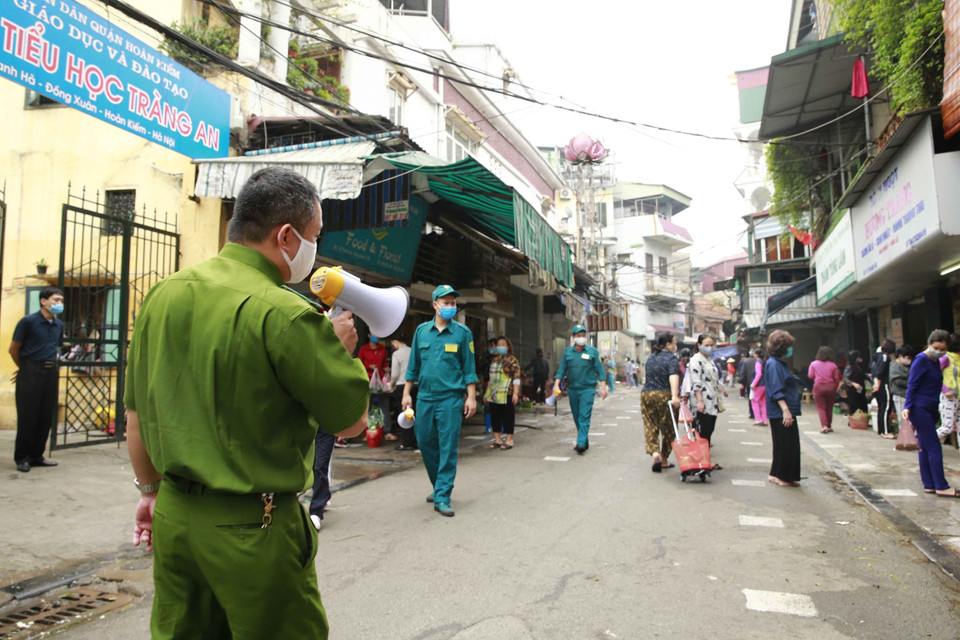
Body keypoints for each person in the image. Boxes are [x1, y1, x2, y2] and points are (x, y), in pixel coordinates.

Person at [124, 167, 370, 639]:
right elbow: (353, 421)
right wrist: (339, 352)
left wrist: (149, 492)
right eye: (314, 236)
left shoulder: (162, 295)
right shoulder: (289, 314)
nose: (315, 249)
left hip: (175, 518)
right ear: (286, 236)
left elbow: (136, 416)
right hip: (253, 529)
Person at [403, 285, 478, 517]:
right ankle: (439, 485)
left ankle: (443, 494)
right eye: (445, 303)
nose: (450, 307)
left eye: (453, 303)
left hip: (450, 399)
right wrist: (406, 393)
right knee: (425, 442)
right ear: (434, 305)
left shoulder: (463, 334)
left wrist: (472, 397)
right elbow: (413, 366)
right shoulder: (421, 332)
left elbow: (469, 369)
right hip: (425, 397)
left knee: (447, 447)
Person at [9, 286, 65, 472]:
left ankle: (36, 455)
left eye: (61, 301)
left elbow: (54, 348)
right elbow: (13, 349)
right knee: (28, 416)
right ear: (43, 301)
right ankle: (22, 457)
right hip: (31, 371)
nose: (59, 304)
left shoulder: (58, 325)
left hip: (50, 372)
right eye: (56, 300)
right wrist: (25, 368)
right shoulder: (28, 322)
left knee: (45, 416)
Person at [902, 330, 959, 497]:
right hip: (919, 409)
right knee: (934, 447)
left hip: (929, 408)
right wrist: (907, 406)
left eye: (942, 349)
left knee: (925, 447)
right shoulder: (921, 360)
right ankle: (941, 485)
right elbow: (912, 384)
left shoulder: (935, 360)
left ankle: (929, 484)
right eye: (936, 347)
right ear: (929, 343)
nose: (939, 351)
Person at [554, 325, 608, 455]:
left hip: (587, 389)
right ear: (573, 338)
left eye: (583, 335)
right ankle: (583, 440)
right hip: (572, 389)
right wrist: (556, 385)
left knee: (584, 416)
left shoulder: (592, 352)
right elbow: (561, 371)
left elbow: (600, 371)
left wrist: (603, 387)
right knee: (577, 416)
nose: (581, 338)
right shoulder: (568, 352)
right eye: (578, 336)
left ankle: (581, 443)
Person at [764, 330, 802, 487]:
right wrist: (786, 410)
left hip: (781, 410)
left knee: (783, 444)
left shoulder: (777, 363)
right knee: (787, 445)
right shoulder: (774, 365)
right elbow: (776, 389)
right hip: (781, 411)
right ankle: (782, 476)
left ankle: (776, 474)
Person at [641, 333, 681, 472]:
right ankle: (664, 458)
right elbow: (673, 376)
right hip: (665, 394)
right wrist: (675, 396)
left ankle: (655, 453)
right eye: (674, 343)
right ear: (668, 345)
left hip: (647, 394)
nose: (676, 346)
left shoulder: (651, 358)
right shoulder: (672, 358)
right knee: (670, 428)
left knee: (650, 424)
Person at [689, 334, 728, 452]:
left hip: (712, 402)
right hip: (702, 402)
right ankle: (701, 460)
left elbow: (714, 378)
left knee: (709, 430)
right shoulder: (696, 360)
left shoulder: (709, 360)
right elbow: (696, 381)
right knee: (703, 432)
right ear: (699, 345)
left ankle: (705, 459)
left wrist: (722, 389)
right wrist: (700, 401)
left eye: (711, 345)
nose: (710, 348)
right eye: (706, 345)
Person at [485, 336, 522, 450]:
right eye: (498, 344)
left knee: (508, 417)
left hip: (507, 392)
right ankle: (498, 439)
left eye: (503, 344)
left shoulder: (512, 360)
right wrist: (487, 393)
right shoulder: (494, 360)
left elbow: (516, 377)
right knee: (495, 417)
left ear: (507, 347)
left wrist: (515, 393)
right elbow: (492, 378)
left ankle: (509, 440)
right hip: (494, 393)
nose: (500, 346)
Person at [808, 346, 841, 434]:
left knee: (821, 407)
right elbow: (836, 378)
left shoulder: (813, 364)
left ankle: (824, 426)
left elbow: (810, 376)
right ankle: (829, 425)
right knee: (829, 407)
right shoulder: (833, 365)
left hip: (818, 387)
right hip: (830, 387)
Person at [389, 337, 413, 447]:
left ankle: (406, 442)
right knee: (414, 414)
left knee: (403, 415)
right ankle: (415, 441)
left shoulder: (396, 354)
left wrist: (391, 385)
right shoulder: (412, 350)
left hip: (401, 387)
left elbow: (394, 375)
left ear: (396, 341)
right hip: (415, 385)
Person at [937, 334, 960, 440]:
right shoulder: (945, 358)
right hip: (949, 397)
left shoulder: (958, 358)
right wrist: (945, 390)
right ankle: (923, 441)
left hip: (958, 397)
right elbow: (934, 376)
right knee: (947, 427)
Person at [872, 340, 897, 439]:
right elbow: (879, 372)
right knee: (886, 408)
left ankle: (881, 430)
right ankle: (885, 431)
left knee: (881, 408)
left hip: (879, 385)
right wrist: (877, 384)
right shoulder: (884, 357)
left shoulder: (878, 356)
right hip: (884, 385)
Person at [888, 345, 915, 421]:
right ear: (900, 356)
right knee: (904, 419)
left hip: (908, 395)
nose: (910, 360)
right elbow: (898, 381)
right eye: (908, 358)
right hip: (900, 395)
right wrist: (913, 384)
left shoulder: (906, 366)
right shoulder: (894, 366)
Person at [843, 350, 869, 415]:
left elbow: (861, 374)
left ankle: (863, 421)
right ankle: (853, 421)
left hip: (860, 389)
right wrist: (853, 384)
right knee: (853, 406)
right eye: (858, 357)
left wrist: (867, 375)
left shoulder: (858, 366)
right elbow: (845, 379)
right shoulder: (849, 367)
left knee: (863, 405)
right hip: (852, 390)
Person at [750, 348, 767, 426]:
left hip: (758, 385)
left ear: (757, 355)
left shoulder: (758, 363)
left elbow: (758, 374)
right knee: (763, 403)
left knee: (755, 401)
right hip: (765, 385)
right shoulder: (765, 362)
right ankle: (765, 419)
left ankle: (758, 419)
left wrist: (753, 383)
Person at [738, 350, 757, 419]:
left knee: (751, 398)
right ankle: (759, 414)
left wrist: (741, 382)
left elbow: (743, 372)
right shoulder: (759, 361)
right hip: (759, 383)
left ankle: (752, 413)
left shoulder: (746, 361)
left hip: (749, 383)